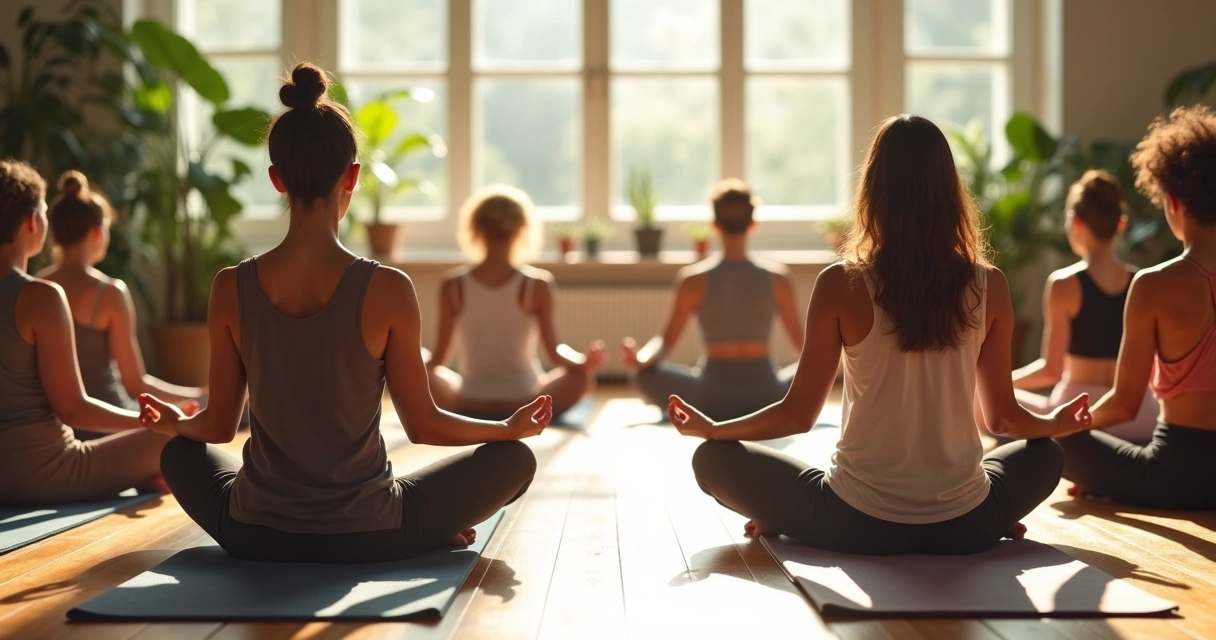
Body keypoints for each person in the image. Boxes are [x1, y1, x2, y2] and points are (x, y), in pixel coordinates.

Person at [139, 63, 547, 562]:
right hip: (370, 532)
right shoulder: (389, 288)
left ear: (276, 179)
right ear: (352, 176)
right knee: (515, 460)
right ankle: (425, 532)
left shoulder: (230, 286)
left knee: (178, 454)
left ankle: (415, 530)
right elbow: (424, 426)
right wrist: (506, 429)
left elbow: (219, 427)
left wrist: (173, 425)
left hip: (254, 531)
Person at [669, 115, 1091, 555]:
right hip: (967, 523)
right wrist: (1054, 424)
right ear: (950, 193)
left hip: (853, 522)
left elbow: (797, 416)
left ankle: (786, 516)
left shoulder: (841, 283)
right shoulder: (991, 285)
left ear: (873, 192)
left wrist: (715, 430)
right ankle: (995, 519)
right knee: (1048, 455)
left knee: (711, 459)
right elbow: (1003, 419)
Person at [1053, 106, 1216, 509]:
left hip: (1174, 477)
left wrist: (1060, 424)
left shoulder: (1154, 284)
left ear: (1173, 201)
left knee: (1058, 442)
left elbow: (1125, 404)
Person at [0, 158, 169, 505]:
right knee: (173, 439)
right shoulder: (40, 296)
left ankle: (142, 474)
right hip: (46, 471)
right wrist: (151, 421)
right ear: (33, 222)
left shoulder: (42, 288)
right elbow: (73, 411)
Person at [37, 170, 203, 440]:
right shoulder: (110, 293)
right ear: (96, 232)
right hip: (112, 424)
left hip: (58, 430)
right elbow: (136, 383)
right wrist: (198, 394)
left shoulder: (34, 289)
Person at [621, 179, 803, 421]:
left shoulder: (693, 280)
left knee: (641, 376)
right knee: (822, 368)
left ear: (715, 225)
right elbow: (804, 348)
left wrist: (640, 359)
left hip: (709, 399)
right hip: (769, 397)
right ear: (753, 224)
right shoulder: (779, 279)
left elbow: (664, 343)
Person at [425, 185, 605, 421]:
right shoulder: (538, 284)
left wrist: (408, 360)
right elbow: (555, 352)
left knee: (419, 365)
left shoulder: (452, 284)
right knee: (582, 378)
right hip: (526, 401)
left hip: (467, 401)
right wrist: (583, 362)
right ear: (522, 229)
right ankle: (514, 415)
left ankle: (476, 414)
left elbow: (438, 359)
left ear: (475, 228)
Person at [1011, 170, 1157, 444]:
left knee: (982, 400)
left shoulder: (1063, 284)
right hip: (1139, 419)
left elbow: (1051, 370)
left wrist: (997, 383)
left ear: (1075, 222)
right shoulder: (1144, 282)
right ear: (1121, 224)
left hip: (1079, 419)